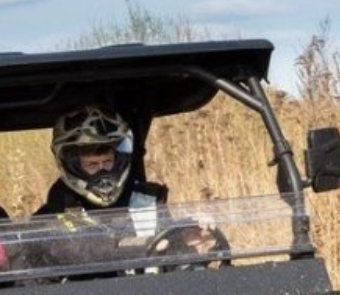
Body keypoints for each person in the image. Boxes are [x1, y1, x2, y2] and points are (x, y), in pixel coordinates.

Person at [36, 106, 216, 263]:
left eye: (107, 162)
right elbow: (78, 251)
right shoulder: (53, 215)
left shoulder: (147, 201)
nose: (103, 172)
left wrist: (186, 236)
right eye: (92, 164)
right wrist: (146, 244)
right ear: (72, 165)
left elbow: (172, 257)